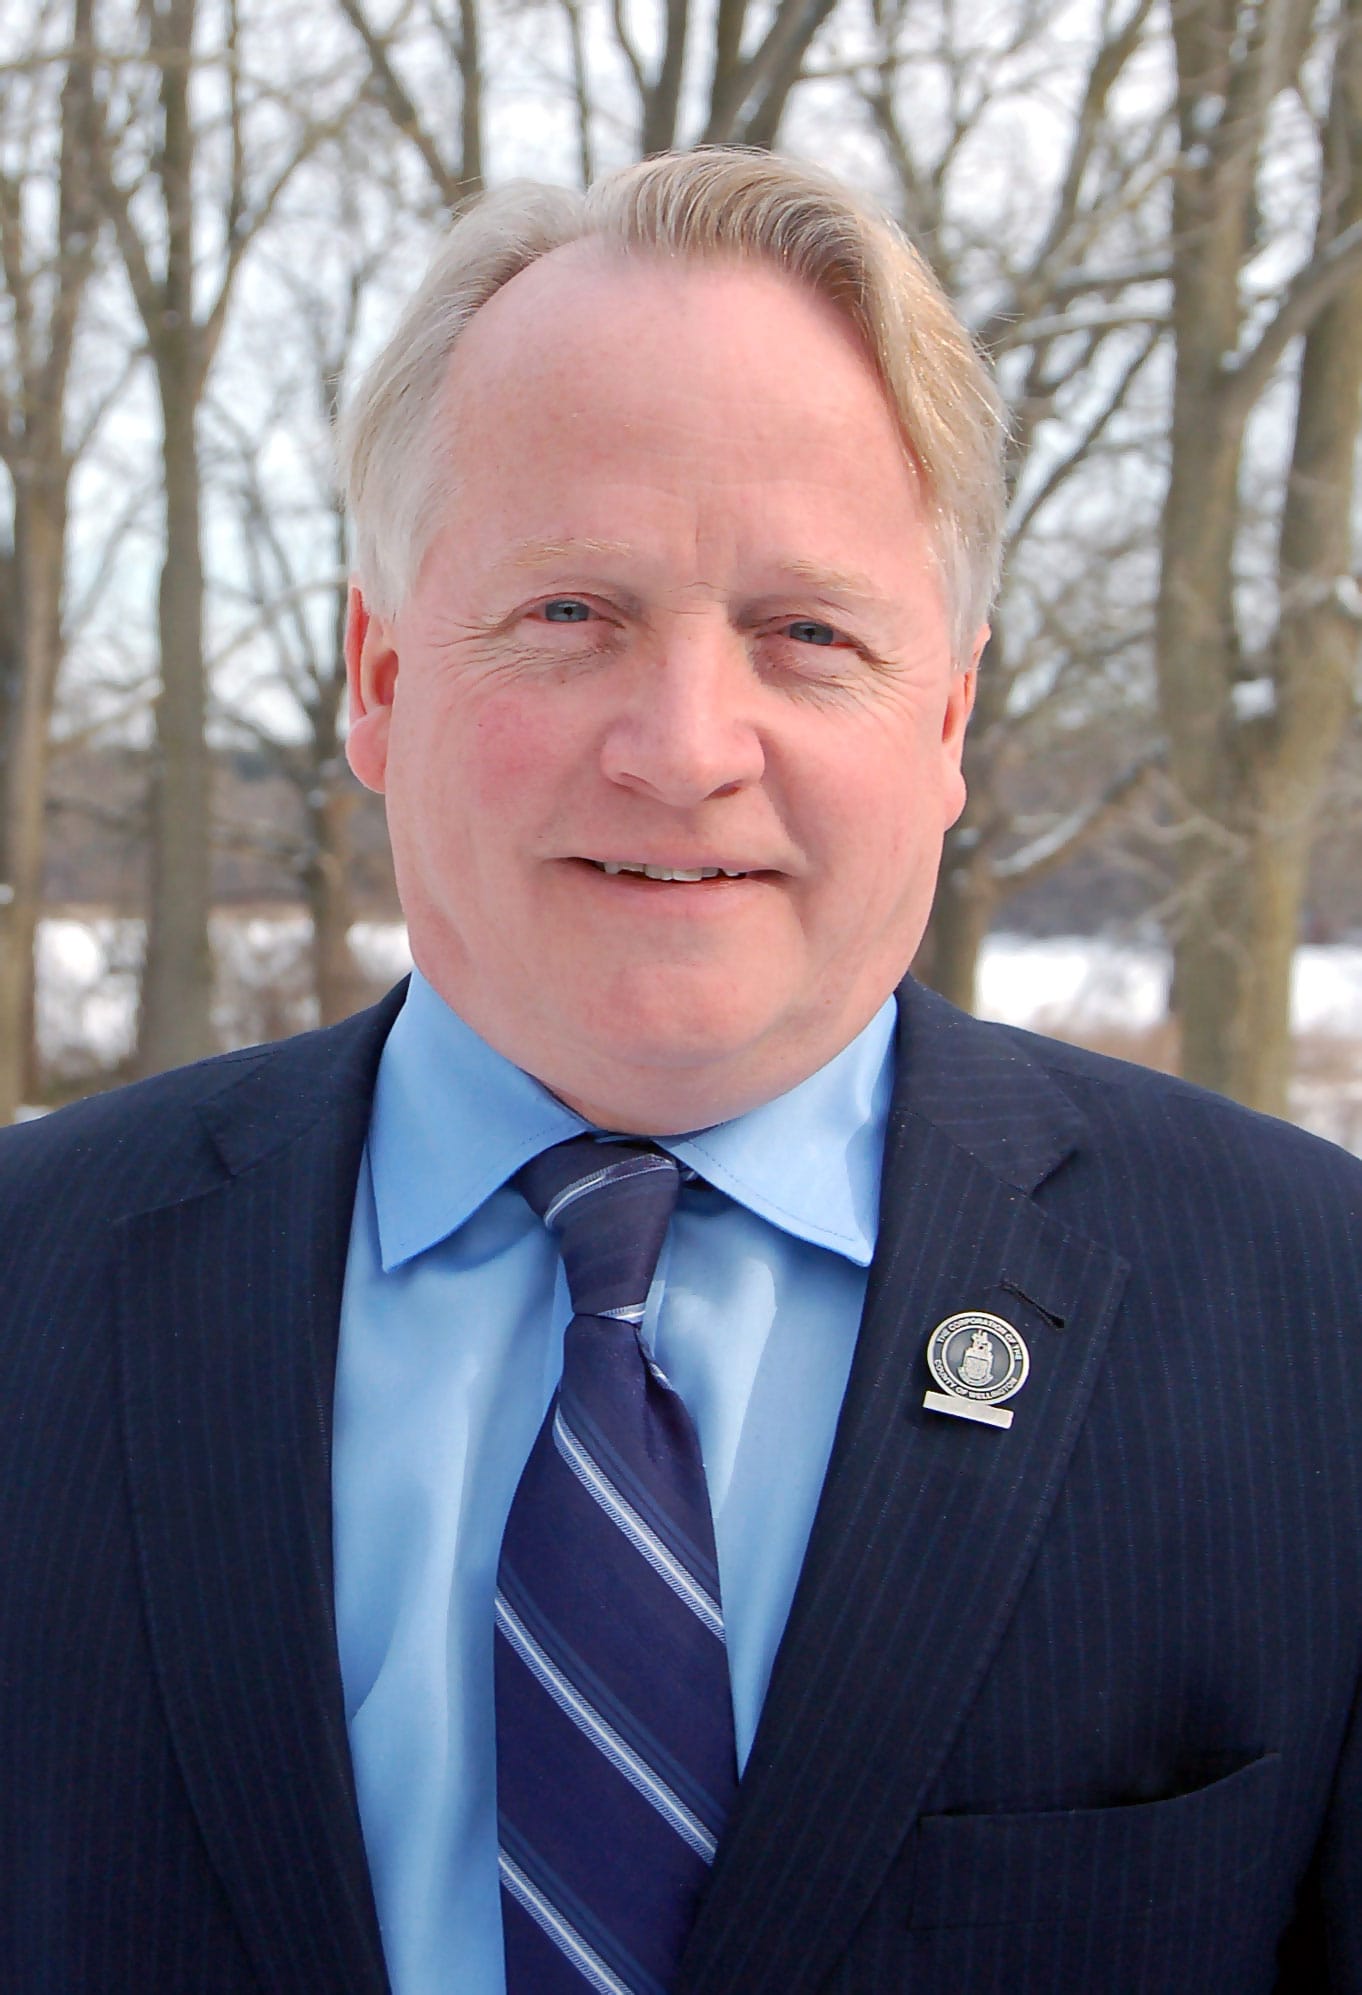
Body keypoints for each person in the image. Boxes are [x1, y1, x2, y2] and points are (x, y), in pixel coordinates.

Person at [2, 147, 1360, 1995]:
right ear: (379, 675)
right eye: (572, 612)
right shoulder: (26, 1287)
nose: (683, 747)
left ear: (947, 715)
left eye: (808, 634)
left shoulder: (1315, 1323)